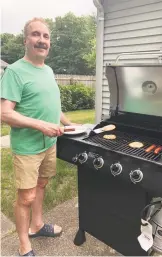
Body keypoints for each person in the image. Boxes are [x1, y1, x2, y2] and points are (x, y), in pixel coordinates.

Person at [1, 18, 73, 256]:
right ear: (26, 41)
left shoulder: (49, 70)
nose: (42, 40)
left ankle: (37, 225)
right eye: (36, 35)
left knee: (42, 185)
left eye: (46, 36)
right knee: (26, 196)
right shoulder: (14, 71)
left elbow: (52, 106)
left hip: (49, 144)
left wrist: (70, 124)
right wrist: (41, 125)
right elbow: (4, 113)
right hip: (28, 147)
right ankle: (24, 245)